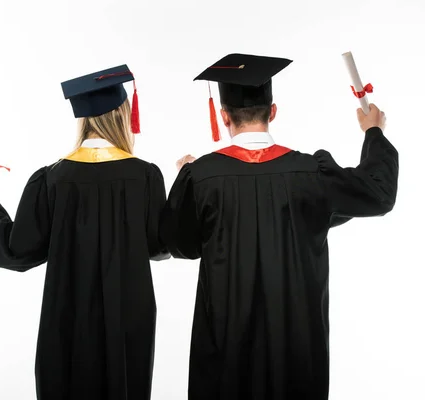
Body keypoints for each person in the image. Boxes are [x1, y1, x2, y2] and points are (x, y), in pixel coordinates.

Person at [160, 53, 398, 400]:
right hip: (296, 351)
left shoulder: (202, 178)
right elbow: (378, 194)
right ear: (272, 112)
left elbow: (180, 244)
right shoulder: (311, 174)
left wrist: (188, 176)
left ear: (224, 116)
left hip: (226, 350)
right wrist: (373, 131)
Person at [0, 64, 170, 400]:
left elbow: (19, 249)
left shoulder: (51, 179)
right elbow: (159, 245)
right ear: (123, 115)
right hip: (128, 314)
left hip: (67, 316)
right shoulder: (145, 176)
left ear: (82, 120)